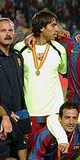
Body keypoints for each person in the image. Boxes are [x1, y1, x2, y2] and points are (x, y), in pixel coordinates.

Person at [13, 10, 67, 148]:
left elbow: (63, 70)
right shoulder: (20, 48)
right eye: (53, 25)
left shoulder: (59, 49)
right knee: (30, 155)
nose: (57, 29)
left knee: (54, 156)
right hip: (29, 113)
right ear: (42, 28)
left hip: (54, 114)